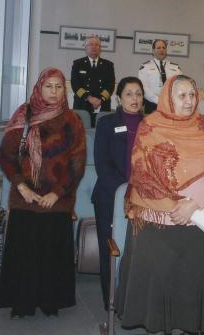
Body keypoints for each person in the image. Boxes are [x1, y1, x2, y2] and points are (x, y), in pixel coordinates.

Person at [117, 75, 204, 334]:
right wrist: (172, 205)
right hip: (155, 223)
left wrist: (192, 204)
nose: (189, 101)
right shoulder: (150, 126)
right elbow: (142, 170)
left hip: (193, 219)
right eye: (181, 95)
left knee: (187, 283)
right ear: (168, 97)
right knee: (157, 283)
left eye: (192, 95)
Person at [0, 68, 86, 318]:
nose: (54, 91)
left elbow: (77, 164)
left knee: (51, 254)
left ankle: (50, 301)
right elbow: (6, 156)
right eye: (49, 86)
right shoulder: (23, 115)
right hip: (25, 198)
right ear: (39, 88)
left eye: (59, 87)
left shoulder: (72, 120)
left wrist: (57, 193)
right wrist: (22, 186)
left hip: (57, 200)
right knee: (24, 252)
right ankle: (21, 303)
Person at [92, 77, 144, 309]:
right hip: (110, 196)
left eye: (138, 94)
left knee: (140, 249)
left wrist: (139, 192)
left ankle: (135, 300)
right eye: (129, 94)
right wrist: (124, 192)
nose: (134, 99)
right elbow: (102, 164)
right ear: (119, 98)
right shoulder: (106, 123)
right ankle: (111, 300)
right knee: (111, 248)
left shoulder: (152, 124)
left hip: (144, 198)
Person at [70, 36, 116, 126]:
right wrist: (89, 98)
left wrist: (100, 99)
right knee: (80, 132)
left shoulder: (108, 65)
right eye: (91, 44)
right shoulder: (78, 64)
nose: (94, 47)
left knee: (102, 131)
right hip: (82, 105)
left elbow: (110, 85)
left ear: (100, 48)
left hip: (102, 105)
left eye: (97, 45)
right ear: (85, 48)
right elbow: (75, 85)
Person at [138, 39, 181, 114]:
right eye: (158, 48)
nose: (161, 50)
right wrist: (158, 101)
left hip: (171, 104)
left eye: (164, 48)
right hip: (152, 104)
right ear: (153, 51)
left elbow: (180, 87)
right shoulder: (145, 67)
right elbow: (143, 88)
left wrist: (170, 101)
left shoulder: (176, 68)